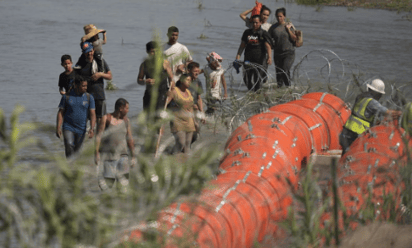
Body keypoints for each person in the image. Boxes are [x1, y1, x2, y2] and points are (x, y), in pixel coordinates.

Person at [339, 79, 402, 155]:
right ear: (377, 93)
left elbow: (361, 116)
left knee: (345, 156)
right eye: (380, 94)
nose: (381, 96)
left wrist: (376, 123)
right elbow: (387, 112)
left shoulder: (360, 97)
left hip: (346, 131)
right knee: (354, 157)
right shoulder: (372, 102)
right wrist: (401, 113)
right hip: (356, 134)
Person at [95, 98, 136, 191]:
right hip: (109, 157)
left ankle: (122, 203)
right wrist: (96, 153)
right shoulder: (106, 118)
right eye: (127, 108)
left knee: (123, 185)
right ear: (121, 108)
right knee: (108, 185)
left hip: (123, 156)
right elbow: (98, 136)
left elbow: (130, 138)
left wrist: (133, 156)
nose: (128, 111)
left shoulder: (126, 121)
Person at [56, 76, 96, 158]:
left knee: (77, 151)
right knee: (69, 145)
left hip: (81, 128)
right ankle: (69, 165)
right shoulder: (66, 97)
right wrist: (58, 127)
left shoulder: (89, 98)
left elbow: (92, 114)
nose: (85, 88)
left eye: (86, 86)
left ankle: (74, 168)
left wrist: (92, 128)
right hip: (68, 127)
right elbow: (60, 113)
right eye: (83, 86)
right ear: (76, 85)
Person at [75, 41, 112, 125]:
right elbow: (75, 79)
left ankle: (98, 136)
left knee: (101, 117)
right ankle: (86, 134)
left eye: (91, 51)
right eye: (87, 52)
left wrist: (100, 74)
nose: (89, 54)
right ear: (83, 53)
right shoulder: (80, 63)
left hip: (99, 94)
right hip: (85, 95)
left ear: (94, 50)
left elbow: (110, 76)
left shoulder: (100, 61)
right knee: (84, 117)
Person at [236, 15, 272, 91]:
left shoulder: (263, 34)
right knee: (247, 79)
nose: (255, 24)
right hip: (248, 59)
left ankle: (257, 95)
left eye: (256, 23)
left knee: (257, 80)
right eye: (253, 23)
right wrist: (238, 56)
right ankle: (251, 93)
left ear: (261, 23)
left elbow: (268, 46)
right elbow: (242, 45)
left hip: (259, 61)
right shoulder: (247, 32)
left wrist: (269, 57)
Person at [137, 41, 175, 114]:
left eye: (157, 51)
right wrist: (145, 81)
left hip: (162, 94)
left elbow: (171, 79)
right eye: (152, 52)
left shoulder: (164, 63)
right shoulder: (144, 65)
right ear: (147, 52)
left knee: (159, 119)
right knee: (148, 119)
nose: (155, 54)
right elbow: (139, 80)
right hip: (149, 95)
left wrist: (171, 91)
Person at [164, 74, 196, 154]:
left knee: (187, 145)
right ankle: (171, 157)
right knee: (181, 143)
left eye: (190, 81)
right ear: (181, 80)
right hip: (177, 121)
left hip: (189, 121)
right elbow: (165, 105)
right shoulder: (174, 91)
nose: (189, 82)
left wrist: (195, 121)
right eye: (187, 80)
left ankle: (186, 164)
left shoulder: (189, 92)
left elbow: (191, 108)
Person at [268, 7, 297, 88]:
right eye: (277, 16)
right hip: (277, 53)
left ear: (284, 16)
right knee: (279, 74)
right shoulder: (273, 28)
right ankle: (279, 91)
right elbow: (267, 39)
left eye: (280, 16)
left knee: (285, 69)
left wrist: (288, 30)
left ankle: (289, 87)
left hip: (289, 53)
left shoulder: (289, 25)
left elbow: (295, 38)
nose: (279, 18)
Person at [187, 62, 206, 144]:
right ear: (189, 71)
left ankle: (185, 148)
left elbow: (199, 98)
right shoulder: (184, 82)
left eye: (198, 71)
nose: (197, 73)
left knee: (196, 130)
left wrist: (202, 112)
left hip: (194, 109)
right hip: (184, 110)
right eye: (195, 71)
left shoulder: (198, 82)